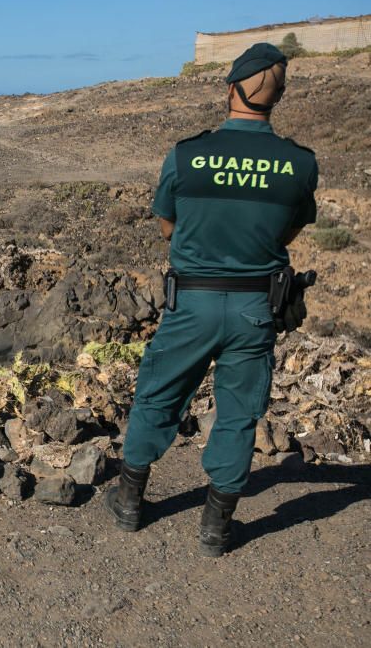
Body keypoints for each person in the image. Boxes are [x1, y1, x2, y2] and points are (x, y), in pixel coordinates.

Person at [104, 43, 319, 556]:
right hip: (254, 309)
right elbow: (289, 232)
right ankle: (216, 529)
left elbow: (166, 225)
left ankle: (131, 502)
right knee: (239, 413)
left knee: (158, 395)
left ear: (230, 90)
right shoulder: (299, 163)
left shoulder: (186, 154)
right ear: (279, 96)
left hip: (192, 303)